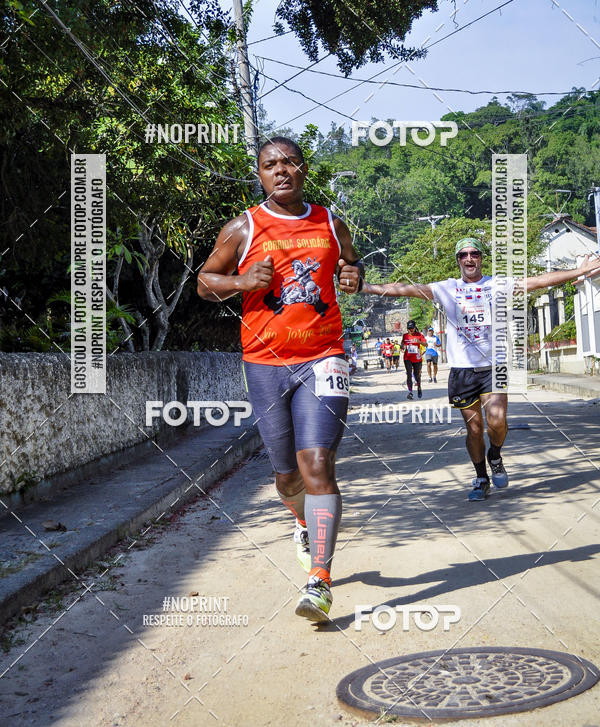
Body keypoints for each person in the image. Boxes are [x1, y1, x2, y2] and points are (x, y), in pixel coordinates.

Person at [197, 136, 364, 621]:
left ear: (304, 169)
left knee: (316, 465)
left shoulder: (331, 221)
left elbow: (350, 262)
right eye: (271, 165)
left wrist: (351, 274)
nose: (281, 171)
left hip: (324, 358)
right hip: (264, 363)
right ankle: (302, 522)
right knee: (286, 475)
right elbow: (205, 282)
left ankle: (320, 580)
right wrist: (242, 283)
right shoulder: (242, 228)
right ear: (260, 174)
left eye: (290, 162)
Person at [363, 237, 600, 500]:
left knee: (497, 421)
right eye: (463, 255)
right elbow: (404, 289)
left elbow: (538, 281)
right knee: (474, 429)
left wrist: (578, 271)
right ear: (458, 261)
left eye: (474, 253)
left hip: (493, 367)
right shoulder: (447, 288)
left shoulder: (497, 284)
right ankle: (480, 477)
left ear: (481, 258)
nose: (469, 258)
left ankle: (495, 456)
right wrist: (366, 286)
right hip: (462, 371)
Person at [401, 320, 426, 400]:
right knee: (409, 374)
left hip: (417, 358)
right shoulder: (405, 336)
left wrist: (419, 341)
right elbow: (402, 344)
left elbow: (426, 344)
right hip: (407, 357)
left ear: (415, 328)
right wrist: (402, 347)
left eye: (412, 328)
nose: (410, 330)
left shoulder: (419, 335)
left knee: (417, 375)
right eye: (409, 328)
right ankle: (410, 392)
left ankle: (419, 387)